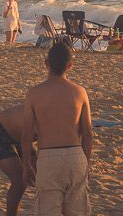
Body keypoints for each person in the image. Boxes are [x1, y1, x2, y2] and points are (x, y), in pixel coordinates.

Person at [21, 37, 93, 215]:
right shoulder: (80, 92)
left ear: (46, 63)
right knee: (77, 209)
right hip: (76, 155)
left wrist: (27, 165)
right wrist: (86, 162)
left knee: (47, 209)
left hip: (48, 156)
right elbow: (88, 133)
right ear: (70, 66)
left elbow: (26, 135)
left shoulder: (34, 93)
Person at [0, 99, 31, 216]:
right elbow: (28, 140)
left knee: (42, 177)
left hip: (20, 134)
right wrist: (27, 165)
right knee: (19, 180)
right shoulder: (48, 115)